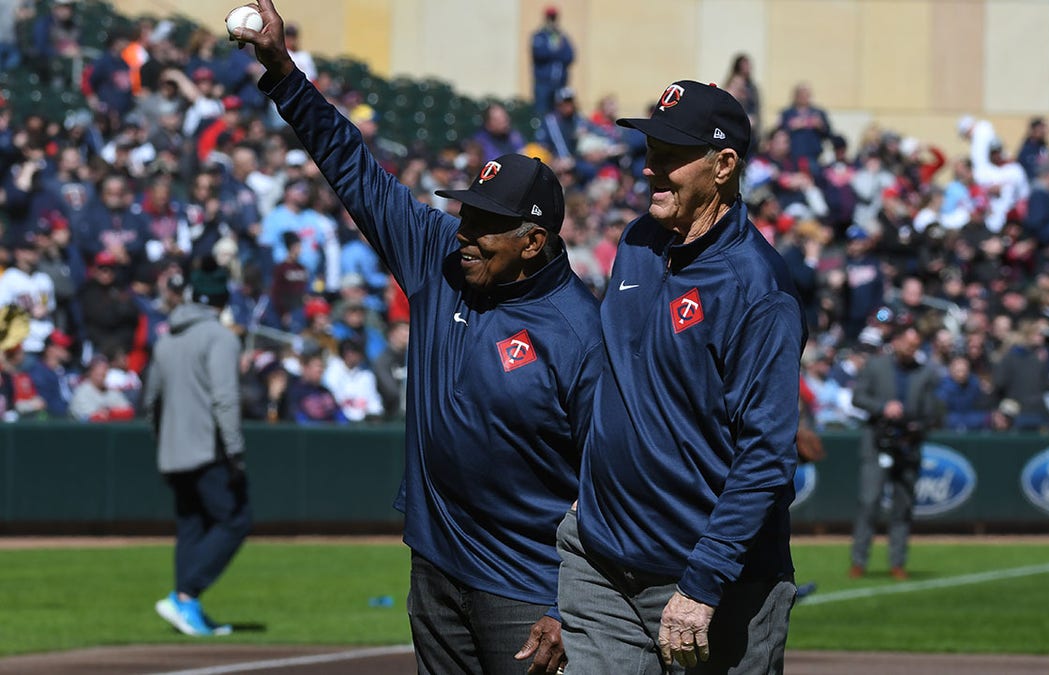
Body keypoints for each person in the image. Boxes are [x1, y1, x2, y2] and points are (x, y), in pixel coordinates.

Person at [234, 4, 604, 673]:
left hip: (526, 587)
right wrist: (285, 72)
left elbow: (608, 480)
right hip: (435, 562)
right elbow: (356, 172)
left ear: (535, 241)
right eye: (465, 214)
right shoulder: (440, 256)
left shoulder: (580, 330)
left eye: (486, 225)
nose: (464, 233)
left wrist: (568, 601)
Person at [559, 80, 805, 673]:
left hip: (711, 581)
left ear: (723, 166)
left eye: (671, 156)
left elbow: (767, 456)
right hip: (601, 557)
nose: (651, 170)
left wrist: (702, 584)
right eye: (650, 151)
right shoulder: (639, 241)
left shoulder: (759, 290)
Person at [143, 260, 251, 636]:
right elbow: (225, 399)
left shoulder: (167, 337)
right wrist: (235, 451)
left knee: (191, 526)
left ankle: (187, 608)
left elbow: (151, 401)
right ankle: (185, 596)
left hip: (173, 450)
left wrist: (162, 442)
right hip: (209, 448)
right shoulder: (219, 337)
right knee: (235, 519)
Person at [848, 319, 941, 581]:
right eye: (909, 344)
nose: (913, 349)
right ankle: (859, 560)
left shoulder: (925, 372)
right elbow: (858, 398)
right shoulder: (876, 366)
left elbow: (931, 411)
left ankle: (897, 562)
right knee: (869, 502)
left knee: (903, 506)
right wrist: (882, 407)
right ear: (897, 341)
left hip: (908, 445)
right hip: (877, 441)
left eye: (917, 345)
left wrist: (916, 422)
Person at [530, 5, 574, 117]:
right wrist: (556, 50)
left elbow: (569, 56)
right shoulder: (539, 35)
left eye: (553, 18)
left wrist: (554, 50)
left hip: (559, 83)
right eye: (550, 18)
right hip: (543, 83)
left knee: (559, 114)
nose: (552, 21)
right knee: (541, 112)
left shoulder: (562, 36)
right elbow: (539, 53)